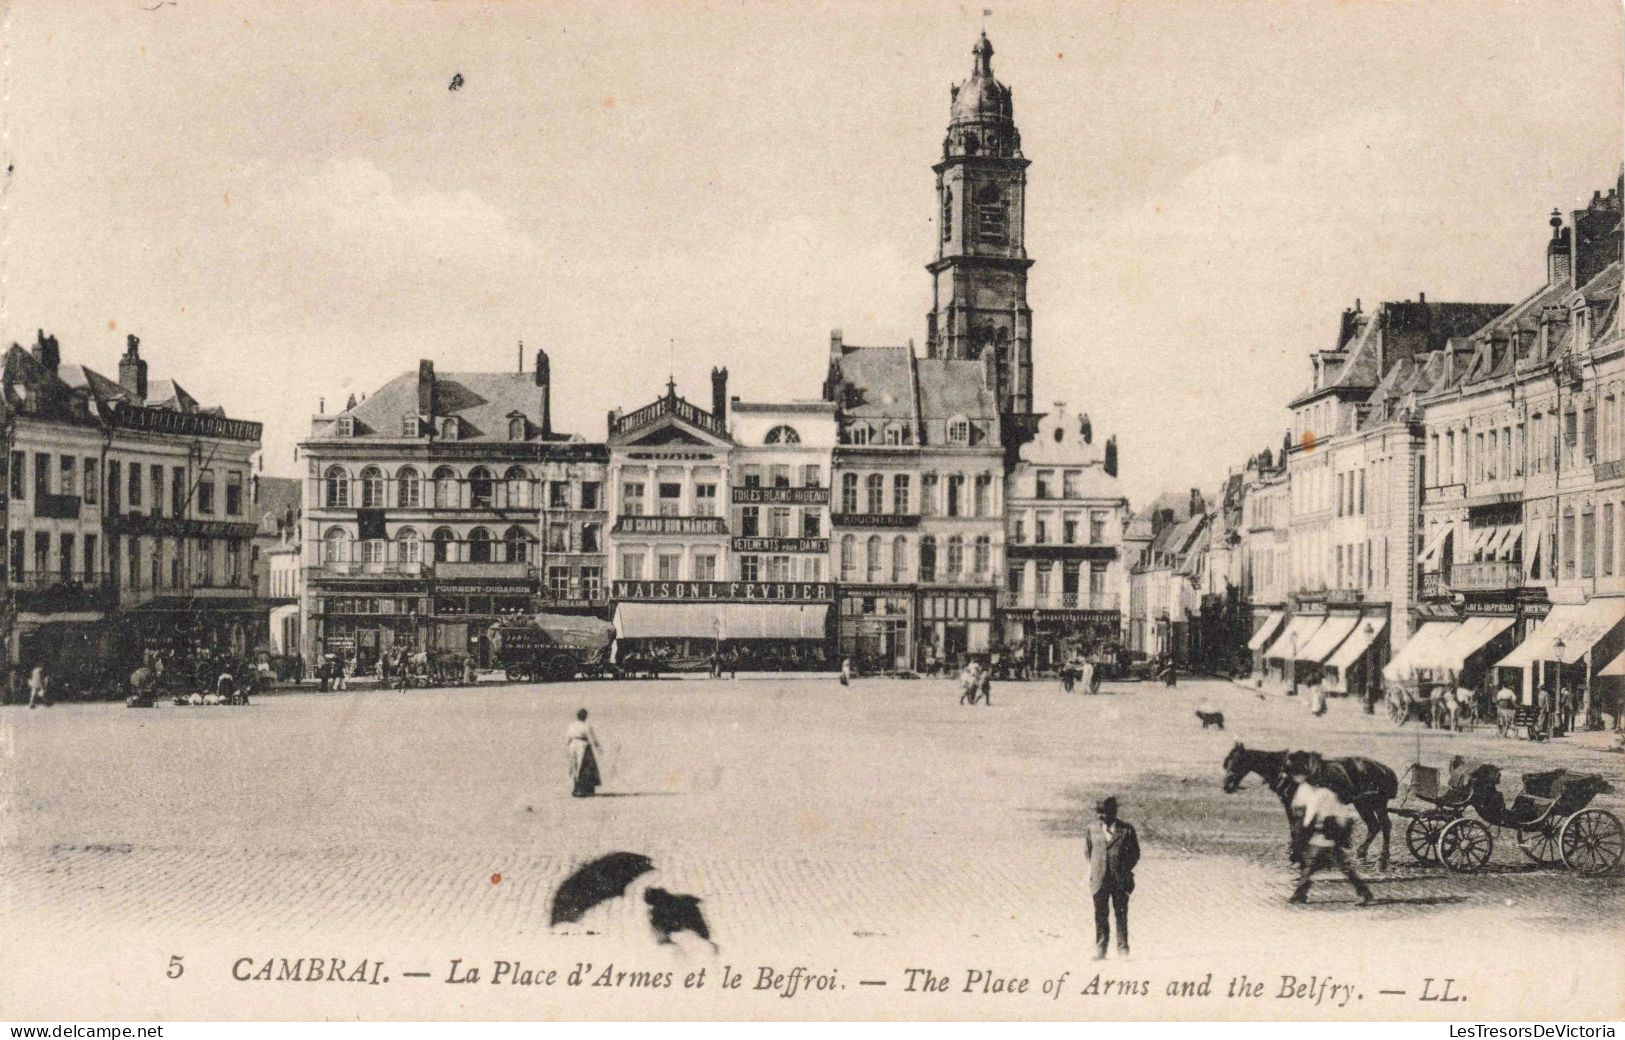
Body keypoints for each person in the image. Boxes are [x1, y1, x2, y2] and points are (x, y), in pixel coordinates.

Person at [1288, 764, 1374, 906]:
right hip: (1330, 837)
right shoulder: (1329, 794)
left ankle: (1365, 893)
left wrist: (1302, 834)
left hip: (1324, 837)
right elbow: (1342, 814)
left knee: (1314, 866)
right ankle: (1300, 894)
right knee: (1314, 867)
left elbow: (1309, 819)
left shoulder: (1318, 796)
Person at [1083, 796, 1139, 960]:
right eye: (1099, 812)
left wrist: (1123, 869)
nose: (1101, 816)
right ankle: (1101, 950)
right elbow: (1088, 852)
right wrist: (1098, 867)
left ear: (1113, 813)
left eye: (1105, 813)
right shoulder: (1092, 829)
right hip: (1099, 879)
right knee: (1100, 915)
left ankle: (1123, 950)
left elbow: (1135, 853)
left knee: (1121, 915)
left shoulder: (1126, 830)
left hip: (1120, 880)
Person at [566, 708, 604, 798]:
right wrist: (598, 748)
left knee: (573, 767)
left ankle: (576, 788)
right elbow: (592, 738)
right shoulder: (586, 726)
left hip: (572, 745)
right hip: (582, 745)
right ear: (585, 716)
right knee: (582, 766)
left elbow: (567, 738)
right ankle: (582, 789)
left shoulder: (571, 725)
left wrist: (567, 747)